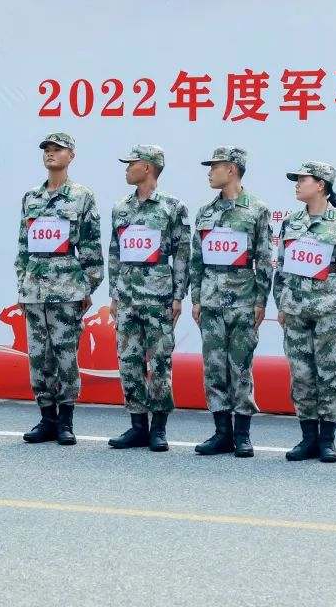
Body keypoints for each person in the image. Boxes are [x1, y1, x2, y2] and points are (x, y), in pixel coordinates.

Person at [15, 133, 104, 446]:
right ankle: (46, 419)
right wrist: (22, 285)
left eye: (57, 150)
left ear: (71, 156)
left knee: (66, 355)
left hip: (67, 290)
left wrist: (85, 287)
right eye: (47, 150)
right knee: (38, 357)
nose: (50, 154)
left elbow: (91, 247)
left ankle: (65, 420)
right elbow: (23, 247)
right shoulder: (31, 198)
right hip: (34, 290)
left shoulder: (82, 196)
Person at [272, 161, 336, 463]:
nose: (298, 184)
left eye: (303, 179)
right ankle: (308, 437)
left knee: (329, 373)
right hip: (295, 308)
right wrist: (281, 302)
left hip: (329, 309)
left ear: (321, 185)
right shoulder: (291, 222)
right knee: (301, 374)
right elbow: (281, 267)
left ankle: (327, 440)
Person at [189, 147, 273, 458]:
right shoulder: (205, 212)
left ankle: (242, 434)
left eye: (216, 166)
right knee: (214, 367)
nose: (210, 172)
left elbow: (264, 259)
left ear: (232, 169)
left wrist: (261, 300)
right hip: (211, 301)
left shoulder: (256, 210)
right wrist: (196, 298)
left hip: (243, 300)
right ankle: (221, 432)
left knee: (241, 366)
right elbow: (197, 258)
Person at [106, 145, 190, 451]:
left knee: (160, 362)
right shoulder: (121, 207)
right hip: (127, 298)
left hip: (158, 297)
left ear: (148, 167)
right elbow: (114, 252)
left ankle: (158, 428)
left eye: (132, 163)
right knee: (129, 362)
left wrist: (178, 296)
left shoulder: (172, 207)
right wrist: (114, 294)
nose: (126, 168)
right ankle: (137, 425)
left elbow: (182, 254)